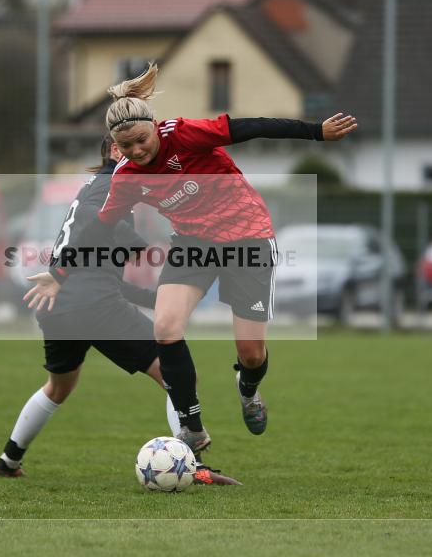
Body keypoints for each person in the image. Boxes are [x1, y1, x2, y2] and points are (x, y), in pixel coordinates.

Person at [25, 63, 357, 455]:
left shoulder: (184, 134)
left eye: (141, 140)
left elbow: (253, 126)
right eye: (126, 146)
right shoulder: (127, 177)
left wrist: (316, 131)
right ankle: (192, 429)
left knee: (251, 353)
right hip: (194, 243)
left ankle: (247, 387)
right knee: (165, 327)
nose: (136, 151)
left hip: (247, 236)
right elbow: (96, 228)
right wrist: (58, 274)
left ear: (153, 126)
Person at [0, 136, 240, 485]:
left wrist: (156, 299)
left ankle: (7, 461)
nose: (145, 151)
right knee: (178, 375)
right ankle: (193, 467)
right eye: (132, 144)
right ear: (115, 151)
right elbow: (97, 226)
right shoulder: (112, 185)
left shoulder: (106, 187)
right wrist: (133, 238)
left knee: (58, 387)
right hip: (92, 303)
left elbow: (106, 276)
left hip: (61, 305)